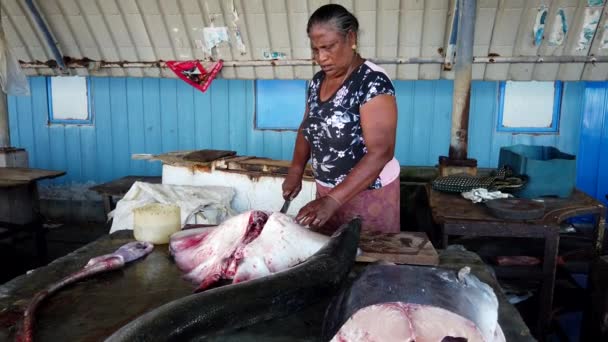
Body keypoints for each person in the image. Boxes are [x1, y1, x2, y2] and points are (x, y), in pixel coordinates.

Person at [282, 4, 400, 234]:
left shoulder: (372, 81)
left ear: (351, 38)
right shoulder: (317, 81)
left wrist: (334, 200)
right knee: (329, 257)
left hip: (368, 195)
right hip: (326, 193)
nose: (321, 58)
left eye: (328, 47)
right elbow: (308, 127)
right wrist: (296, 170)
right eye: (316, 50)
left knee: (368, 262)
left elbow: (381, 152)